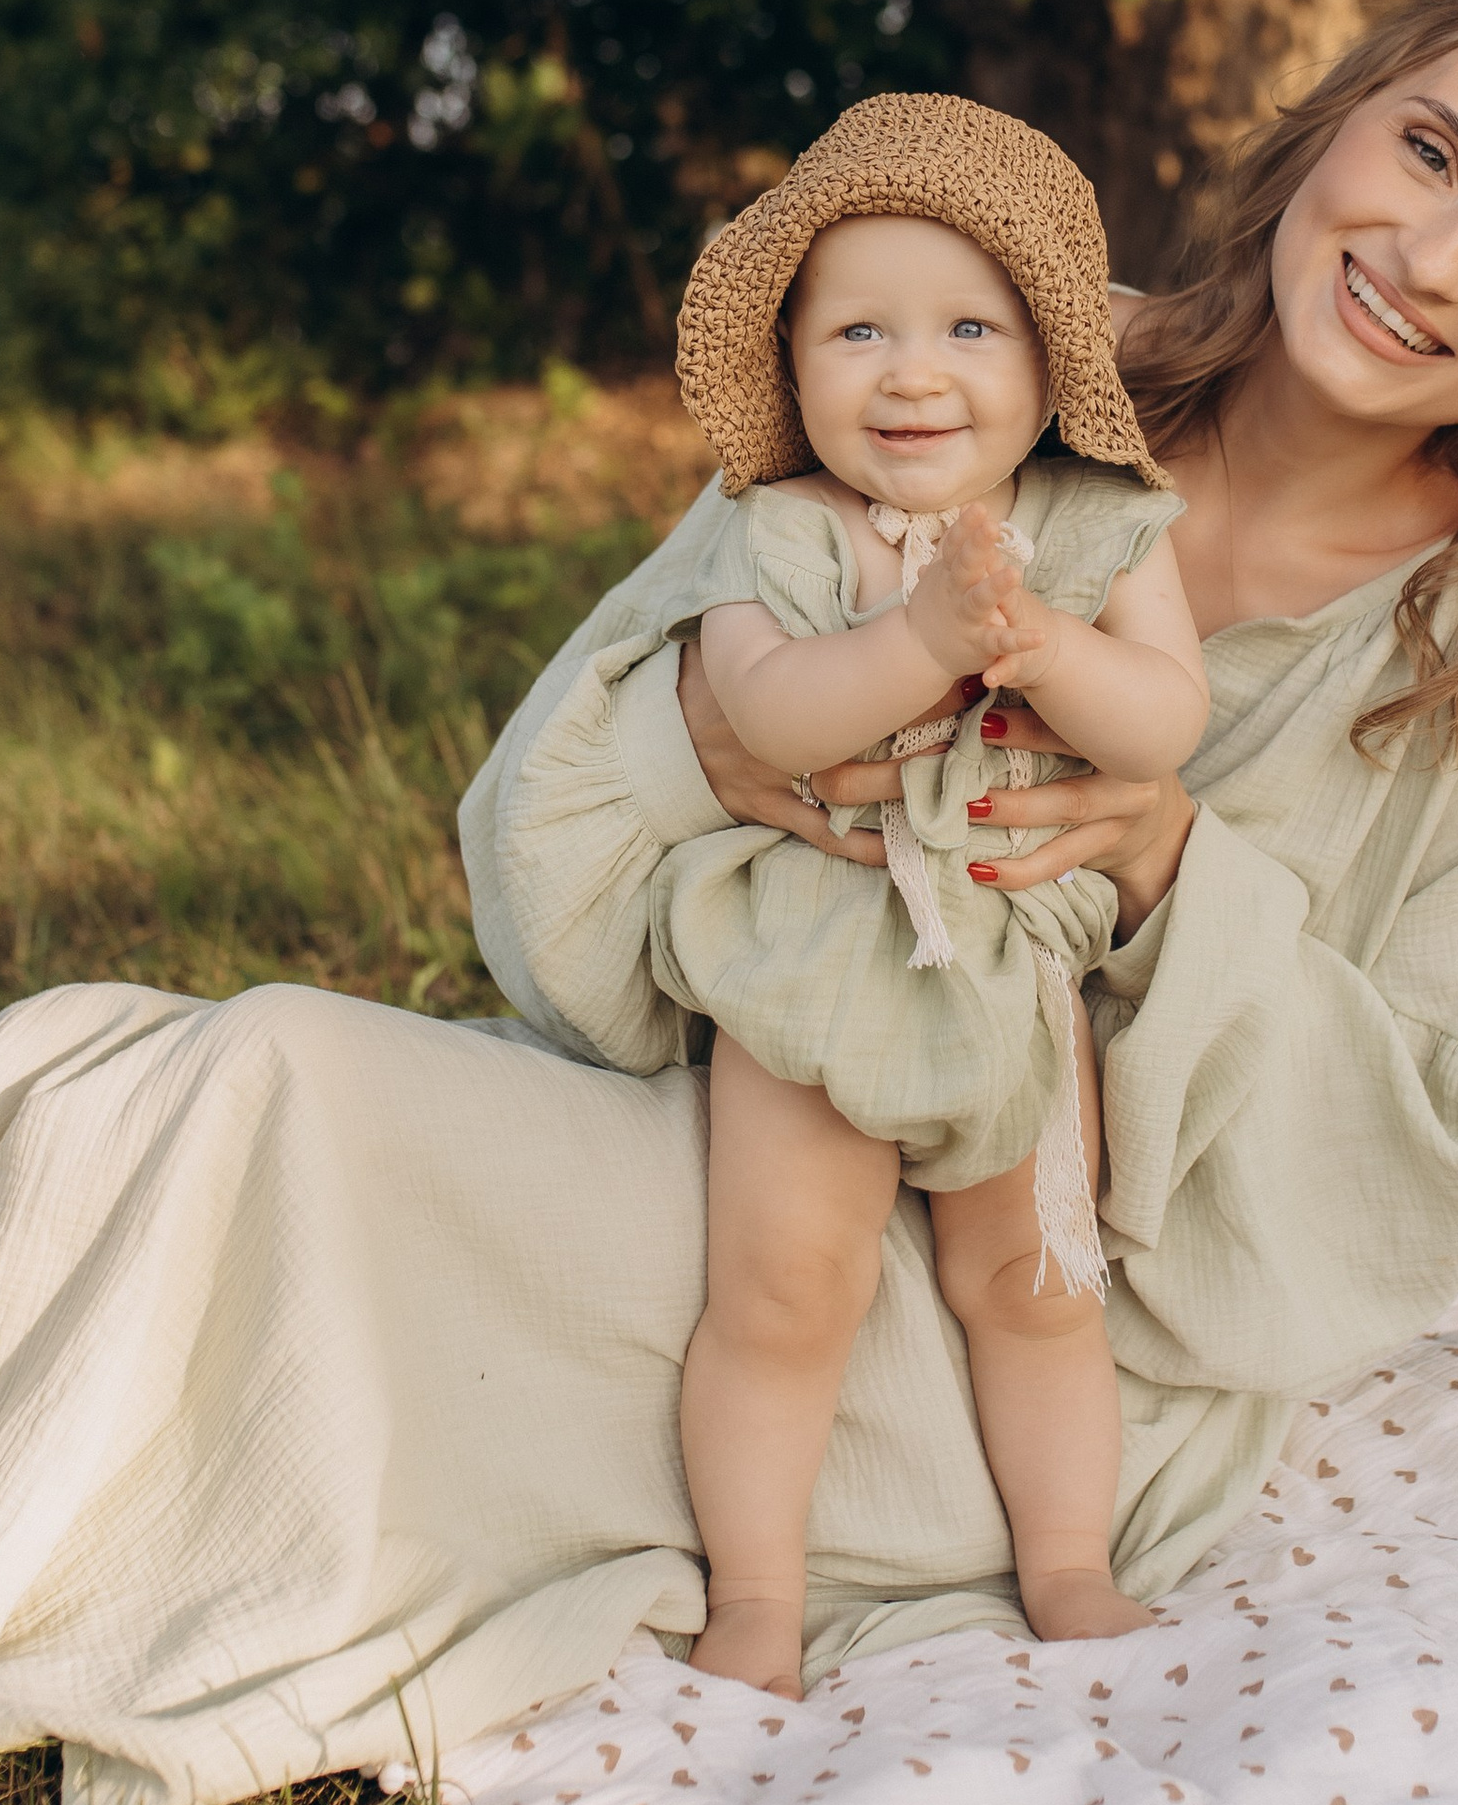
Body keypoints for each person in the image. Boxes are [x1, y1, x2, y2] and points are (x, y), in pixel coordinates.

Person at [0, 0, 1458, 1805]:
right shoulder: (978, 350)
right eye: (1429, 148)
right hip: (763, 1145)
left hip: (1030, 1351)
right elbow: (551, 819)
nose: (1433, 250)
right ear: (1335, 124)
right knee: (139, 1086)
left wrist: (1175, 879)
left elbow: (1421, 1162)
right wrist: (717, 747)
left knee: (245, 1105)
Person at [491, 94, 1211, 1694]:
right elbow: (771, 713)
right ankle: (756, 1597)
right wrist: (926, 643)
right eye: (857, 331)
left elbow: (1166, 725)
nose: (911, 370)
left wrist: (1046, 646)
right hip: (813, 971)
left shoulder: (1098, 528)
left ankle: (1069, 1565)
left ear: (1049, 365)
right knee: (779, 1291)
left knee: (1037, 1287)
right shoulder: (783, 525)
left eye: (969, 325)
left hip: (1011, 979)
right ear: (794, 365)